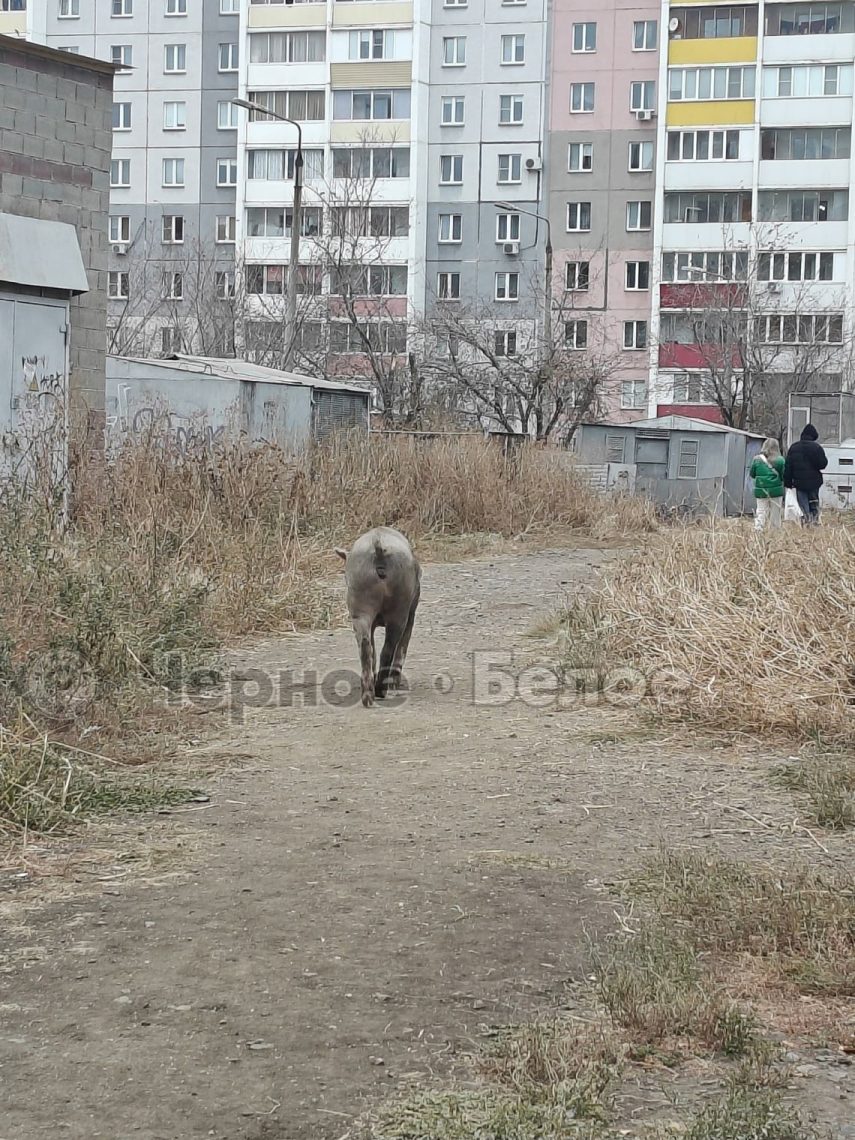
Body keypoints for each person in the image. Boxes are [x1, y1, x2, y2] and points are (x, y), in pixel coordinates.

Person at [783, 423, 828, 526]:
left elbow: (788, 467)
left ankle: (806, 524)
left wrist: (788, 483)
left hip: (799, 483)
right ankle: (815, 523)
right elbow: (823, 464)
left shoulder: (794, 448)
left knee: (803, 505)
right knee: (814, 503)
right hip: (814, 482)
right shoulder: (816, 448)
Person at [749, 438, 785, 530]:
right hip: (776, 490)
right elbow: (783, 475)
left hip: (761, 490)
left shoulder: (756, 459)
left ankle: (758, 529)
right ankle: (775, 531)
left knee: (761, 511)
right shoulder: (780, 460)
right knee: (775, 513)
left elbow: (752, 474)